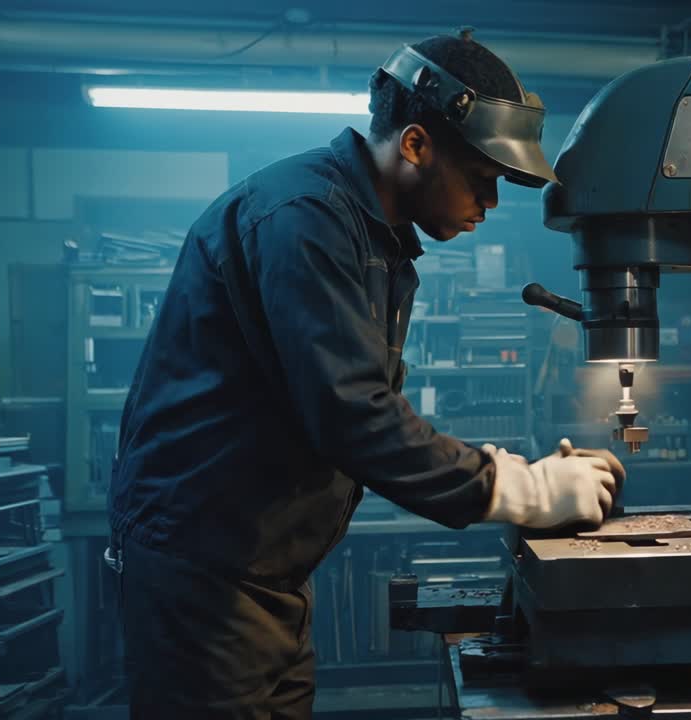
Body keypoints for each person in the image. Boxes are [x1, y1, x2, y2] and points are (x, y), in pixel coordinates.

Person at [107, 33, 623, 719]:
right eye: (483, 178)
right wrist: (519, 487)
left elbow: (358, 408)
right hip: (204, 577)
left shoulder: (368, 237)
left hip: (267, 575)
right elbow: (352, 414)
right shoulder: (305, 220)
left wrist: (503, 471)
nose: (492, 203)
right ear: (415, 145)